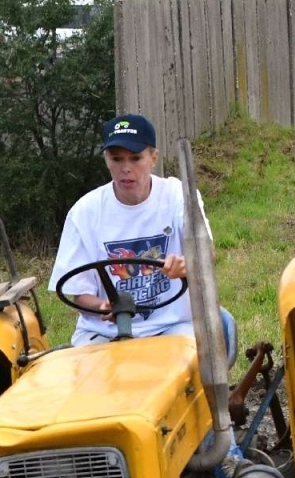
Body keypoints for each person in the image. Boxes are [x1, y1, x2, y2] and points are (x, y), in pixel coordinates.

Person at [48, 114, 234, 351]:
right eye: (117, 159)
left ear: (153, 158)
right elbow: (79, 292)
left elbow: (206, 252)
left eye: (136, 158)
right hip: (105, 332)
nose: (126, 169)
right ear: (106, 160)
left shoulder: (177, 194)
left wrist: (187, 264)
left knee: (186, 363)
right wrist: (103, 306)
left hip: (171, 326)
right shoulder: (84, 212)